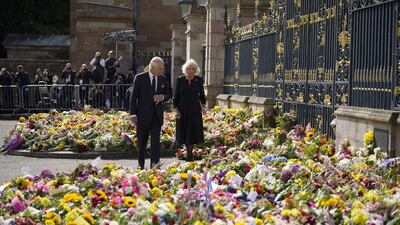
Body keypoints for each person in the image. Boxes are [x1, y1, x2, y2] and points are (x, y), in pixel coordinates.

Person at [129, 57, 170, 169]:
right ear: (152, 67)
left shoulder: (162, 79)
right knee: (142, 142)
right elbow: (133, 97)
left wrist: (161, 97)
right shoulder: (140, 78)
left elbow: (168, 94)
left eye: (162, 68)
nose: (162, 70)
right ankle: (141, 165)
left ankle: (155, 165)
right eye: (160, 68)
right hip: (142, 116)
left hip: (157, 116)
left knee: (155, 143)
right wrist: (132, 114)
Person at [173, 59, 206, 161]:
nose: (191, 71)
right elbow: (176, 97)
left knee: (191, 132)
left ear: (196, 70)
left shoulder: (199, 80)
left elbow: (202, 95)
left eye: (193, 69)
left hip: (194, 110)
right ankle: (188, 153)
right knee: (184, 132)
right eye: (188, 68)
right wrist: (176, 109)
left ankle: (190, 154)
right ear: (185, 69)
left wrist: (203, 106)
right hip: (182, 110)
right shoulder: (180, 80)